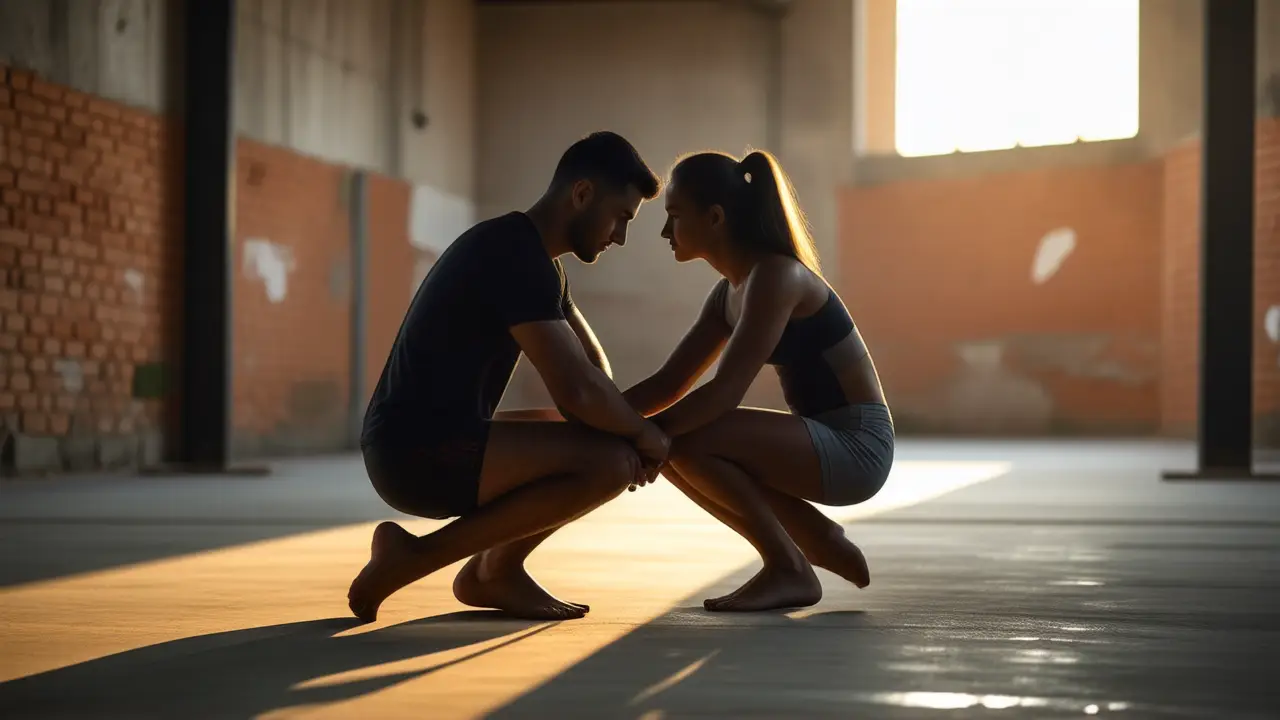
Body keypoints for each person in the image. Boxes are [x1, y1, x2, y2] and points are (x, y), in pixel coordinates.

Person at [349, 132, 671, 623]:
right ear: (582, 194)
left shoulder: (536, 262)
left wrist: (620, 425)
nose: (620, 237)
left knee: (605, 442)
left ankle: (495, 571)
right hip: (415, 454)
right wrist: (644, 434)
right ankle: (417, 560)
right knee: (611, 463)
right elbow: (579, 391)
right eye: (621, 217)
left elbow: (590, 377)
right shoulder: (514, 255)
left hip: (423, 442)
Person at [622, 149, 895, 612]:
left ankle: (790, 566)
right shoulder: (730, 291)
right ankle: (814, 536)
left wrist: (646, 434)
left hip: (859, 447)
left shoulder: (776, 276)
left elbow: (725, 393)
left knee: (682, 438)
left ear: (714, 218)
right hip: (824, 441)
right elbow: (670, 381)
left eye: (673, 216)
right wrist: (598, 418)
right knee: (671, 446)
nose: (665, 232)